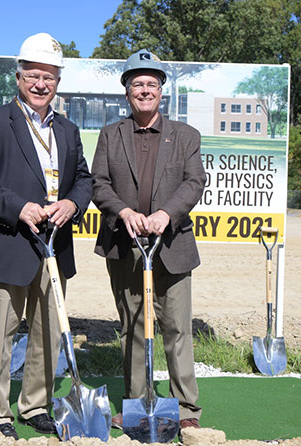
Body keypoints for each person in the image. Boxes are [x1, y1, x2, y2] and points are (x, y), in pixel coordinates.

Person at [0, 32, 92, 440]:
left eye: (49, 77)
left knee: (49, 334)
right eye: (33, 75)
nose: (41, 84)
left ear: (58, 81)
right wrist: (18, 206)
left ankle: (35, 405)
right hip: (5, 244)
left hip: (53, 250)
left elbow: (83, 179)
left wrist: (71, 204)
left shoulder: (67, 131)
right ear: (18, 77)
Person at [91, 49, 205, 432]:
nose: (144, 90)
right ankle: (137, 404)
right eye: (136, 84)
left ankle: (187, 408)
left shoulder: (186, 136)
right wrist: (124, 212)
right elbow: (99, 184)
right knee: (133, 326)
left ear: (161, 91)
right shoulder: (110, 135)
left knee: (176, 329)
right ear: (126, 92)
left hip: (171, 245)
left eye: (151, 84)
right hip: (124, 246)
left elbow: (193, 183)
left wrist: (164, 214)